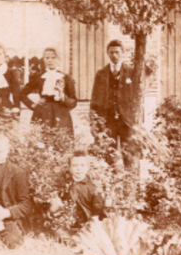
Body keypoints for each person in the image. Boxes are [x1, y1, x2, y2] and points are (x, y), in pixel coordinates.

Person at [90, 39, 140, 168]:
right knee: (109, 153)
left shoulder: (131, 72)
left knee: (129, 154)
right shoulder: (101, 74)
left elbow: (137, 97)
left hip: (126, 120)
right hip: (108, 120)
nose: (114, 55)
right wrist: (95, 121)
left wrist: (135, 119)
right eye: (111, 52)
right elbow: (94, 99)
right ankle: (111, 179)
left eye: (117, 52)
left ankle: (131, 179)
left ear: (123, 53)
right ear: (107, 53)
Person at [48, 151, 106, 236]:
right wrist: (53, 209)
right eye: (75, 165)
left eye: (82, 165)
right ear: (69, 168)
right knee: (57, 232)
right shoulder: (63, 186)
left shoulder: (93, 188)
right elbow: (55, 209)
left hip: (86, 225)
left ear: (87, 167)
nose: (79, 168)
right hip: (67, 224)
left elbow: (98, 211)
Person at [21, 47, 77, 129]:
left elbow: (73, 101)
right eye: (47, 58)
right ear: (43, 59)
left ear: (59, 59)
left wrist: (63, 98)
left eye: (53, 58)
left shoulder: (66, 78)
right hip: (42, 113)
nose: (50, 60)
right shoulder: (39, 77)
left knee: (60, 135)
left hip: (61, 115)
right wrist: (33, 105)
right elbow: (22, 93)